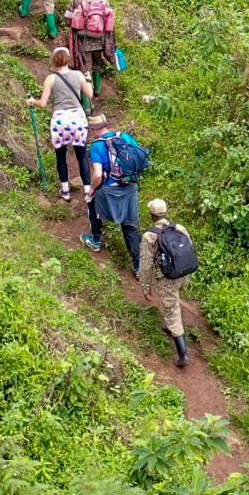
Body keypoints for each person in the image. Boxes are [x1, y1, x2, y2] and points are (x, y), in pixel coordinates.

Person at [26, 47, 93, 201]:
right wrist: (88, 80)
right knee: (81, 155)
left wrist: (32, 102)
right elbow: (89, 95)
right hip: (77, 118)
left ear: (54, 61)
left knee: (60, 156)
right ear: (68, 59)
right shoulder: (78, 75)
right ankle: (88, 191)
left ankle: (65, 191)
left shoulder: (51, 79)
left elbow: (42, 103)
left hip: (60, 121)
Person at [80, 124, 147, 271]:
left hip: (109, 191)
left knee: (91, 201)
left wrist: (91, 189)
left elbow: (98, 175)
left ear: (94, 130)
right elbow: (141, 155)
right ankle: (138, 266)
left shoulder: (96, 146)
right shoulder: (125, 136)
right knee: (130, 225)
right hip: (129, 188)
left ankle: (96, 240)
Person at [139, 199, 196, 368]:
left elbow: (146, 264)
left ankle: (182, 354)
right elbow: (189, 249)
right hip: (183, 273)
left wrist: (145, 287)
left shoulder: (149, 236)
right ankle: (167, 324)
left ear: (152, 215)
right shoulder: (179, 228)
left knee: (173, 310)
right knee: (172, 302)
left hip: (167, 278)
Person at [64, 0, 115, 95]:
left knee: (85, 68)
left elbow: (67, 21)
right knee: (97, 62)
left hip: (83, 40)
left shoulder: (75, 0)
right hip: (101, 39)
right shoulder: (103, 0)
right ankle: (97, 89)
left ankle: (87, 104)